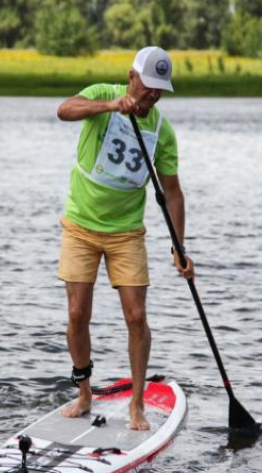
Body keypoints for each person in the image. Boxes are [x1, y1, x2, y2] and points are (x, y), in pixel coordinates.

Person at [55, 46, 194, 431]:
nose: (154, 95)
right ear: (132, 77)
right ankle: (84, 394)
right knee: (77, 313)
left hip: (127, 233)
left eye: (160, 89)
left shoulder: (161, 131)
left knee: (136, 316)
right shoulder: (103, 94)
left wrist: (179, 247)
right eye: (148, 86)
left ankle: (136, 405)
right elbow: (64, 110)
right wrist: (110, 107)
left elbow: (173, 193)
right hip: (80, 226)